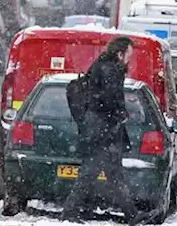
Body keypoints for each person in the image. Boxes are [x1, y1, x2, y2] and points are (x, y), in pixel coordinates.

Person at [61, 37, 157, 225]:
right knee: (92, 172)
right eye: (129, 55)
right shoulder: (110, 69)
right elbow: (107, 99)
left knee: (112, 174)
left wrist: (118, 111)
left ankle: (131, 215)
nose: (130, 59)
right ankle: (69, 213)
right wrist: (120, 113)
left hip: (100, 127)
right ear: (120, 53)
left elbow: (102, 97)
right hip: (103, 130)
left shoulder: (104, 66)